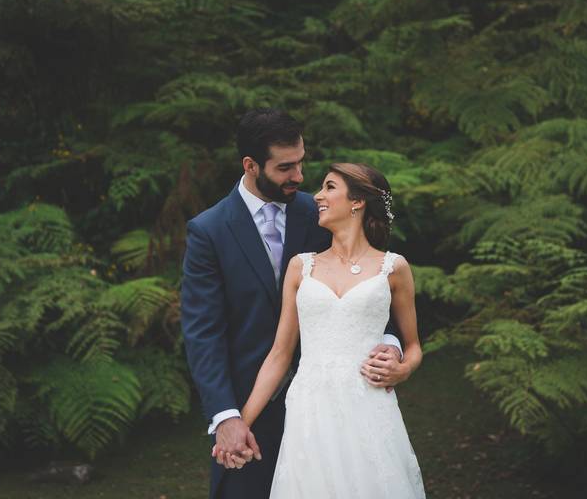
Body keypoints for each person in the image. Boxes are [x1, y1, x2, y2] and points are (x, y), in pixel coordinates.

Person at [180, 109, 406, 499]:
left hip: (339, 409)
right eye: (286, 167)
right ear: (251, 166)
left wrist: (390, 344)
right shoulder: (209, 231)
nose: (300, 177)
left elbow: (376, 284)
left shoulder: (321, 212)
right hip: (250, 406)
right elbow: (203, 333)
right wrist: (227, 417)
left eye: (301, 162)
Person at [237, 162, 426, 498]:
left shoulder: (393, 268)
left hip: (369, 407)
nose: (318, 196)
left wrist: (403, 369)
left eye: (329, 187)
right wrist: (242, 422)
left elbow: (413, 346)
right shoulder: (301, 266)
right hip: (310, 408)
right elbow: (280, 355)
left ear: (357, 201)